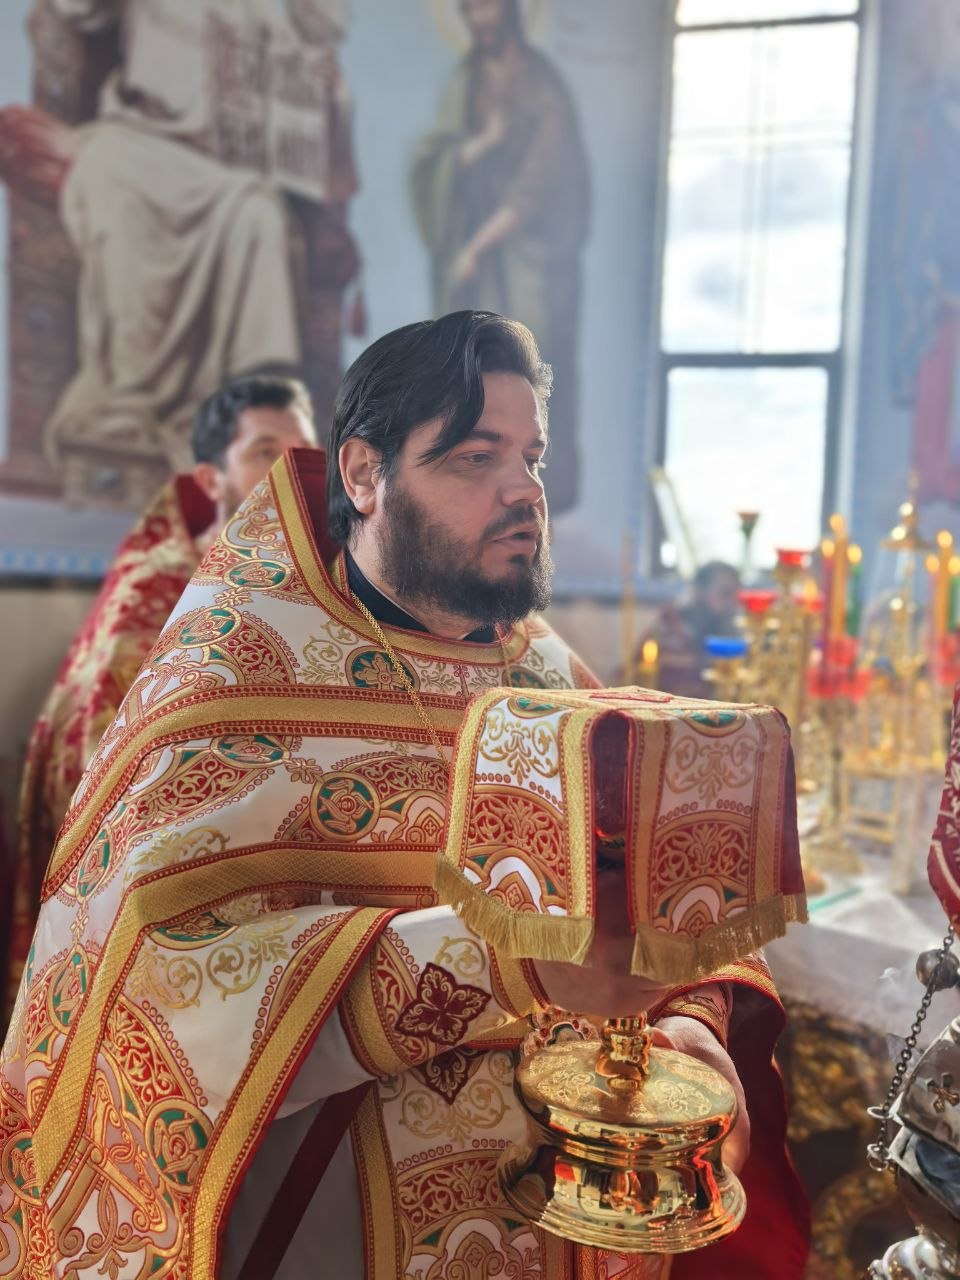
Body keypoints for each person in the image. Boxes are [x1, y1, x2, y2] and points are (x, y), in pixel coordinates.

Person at [0, 313, 807, 1279]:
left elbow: (665, 893)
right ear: (363, 475)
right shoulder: (233, 679)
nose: (524, 490)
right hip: (324, 1231)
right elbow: (157, 990)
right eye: (476, 457)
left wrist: (690, 1024)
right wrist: (509, 963)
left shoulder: (547, 675)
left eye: (532, 458)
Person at [3, 374, 316, 1022]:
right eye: (264, 451)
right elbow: (99, 769)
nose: (291, 471)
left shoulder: (327, 582)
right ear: (210, 480)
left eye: (304, 452)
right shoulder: (153, 595)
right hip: (165, 869)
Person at [0, 0, 354, 459]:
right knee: (109, 177)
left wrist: (326, 88)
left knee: (262, 215)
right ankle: (128, 400)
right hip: (136, 141)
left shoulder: (262, 12)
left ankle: (254, 408)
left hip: (223, 172)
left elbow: (311, 57)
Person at [411, 0, 589, 513]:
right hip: (477, 272)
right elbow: (435, 163)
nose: (479, 20)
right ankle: (467, 489)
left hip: (529, 261)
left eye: (486, 6)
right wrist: (481, 145)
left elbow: (535, 190)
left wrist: (474, 248)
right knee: (462, 377)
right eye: (468, 10)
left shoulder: (541, 85)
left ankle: (535, 499)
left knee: (532, 365)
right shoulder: (465, 80)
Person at [638, 560, 742, 698]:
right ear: (699, 591)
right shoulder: (669, 626)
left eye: (736, 596)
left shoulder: (730, 629)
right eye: (725, 594)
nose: (732, 603)